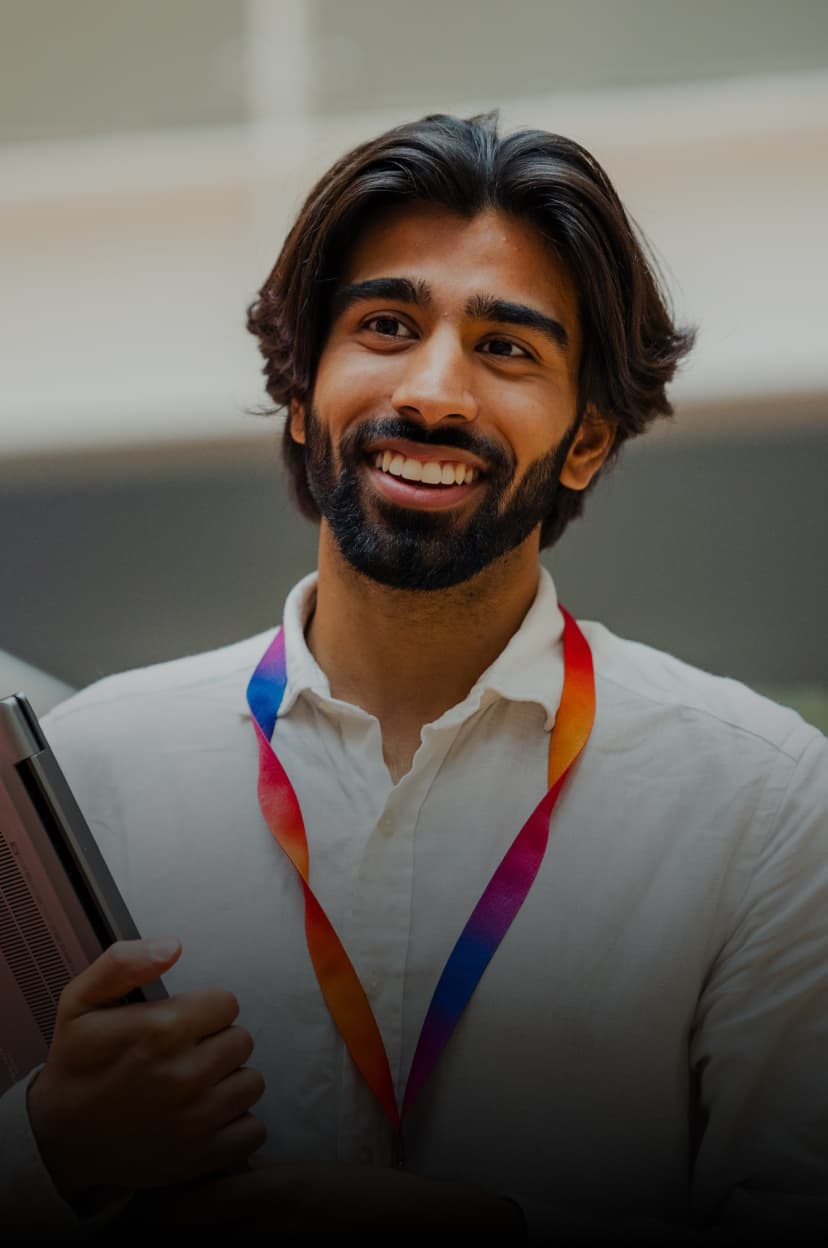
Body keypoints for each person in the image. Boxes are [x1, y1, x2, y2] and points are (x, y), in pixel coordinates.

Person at [1, 111, 827, 1244]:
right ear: (302, 390)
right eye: (387, 325)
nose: (435, 393)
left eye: (507, 348)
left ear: (587, 438)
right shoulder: (86, 772)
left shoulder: (767, 804)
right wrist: (49, 1145)